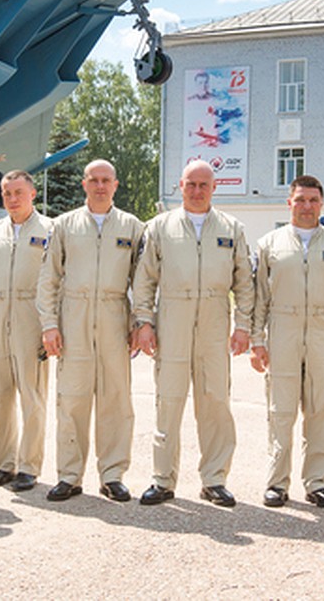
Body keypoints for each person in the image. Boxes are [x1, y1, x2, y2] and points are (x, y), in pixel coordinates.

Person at [133, 160, 254, 507]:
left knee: (215, 402)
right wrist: (144, 322)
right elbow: (145, 280)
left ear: (214, 188)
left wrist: (242, 325)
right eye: (191, 185)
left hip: (215, 321)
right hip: (172, 318)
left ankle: (214, 479)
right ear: (180, 186)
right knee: (168, 402)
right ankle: (162, 480)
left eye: (204, 185)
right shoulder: (159, 228)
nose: (197, 191)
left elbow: (244, 282)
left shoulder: (232, 228)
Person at [250, 175, 324, 509]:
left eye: (313, 200)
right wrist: (257, 340)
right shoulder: (269, 244)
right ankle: (276, 483)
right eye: (300, 200)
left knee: (322, 413)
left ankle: (318, 483)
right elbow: (260, 298)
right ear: (289, 203)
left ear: (321, 204)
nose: (307, 206)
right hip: (282, 333)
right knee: (280, 413)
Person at [37, 160, 145, 502]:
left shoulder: (132, 227)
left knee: (116, 400)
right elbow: (49, 278)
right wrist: (50, 324)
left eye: (106, 181)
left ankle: (113, 475)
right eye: (94, 180)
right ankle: (69, 475)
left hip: (114, 318)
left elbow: (141, 281)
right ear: (84, 184)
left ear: (115, 185)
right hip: (74, 318)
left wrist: (139, 323)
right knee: (72, 400)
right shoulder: (64, 225)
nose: (100, 186)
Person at [0, 170, 52, 492]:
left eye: (18, 192)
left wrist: (51, 326)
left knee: (32, 396)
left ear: (31, 193)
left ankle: (29, 467)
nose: (12, 199)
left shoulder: (50, 230)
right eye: (6, 193)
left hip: (32, 319)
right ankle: (4, 464)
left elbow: (56, 282)